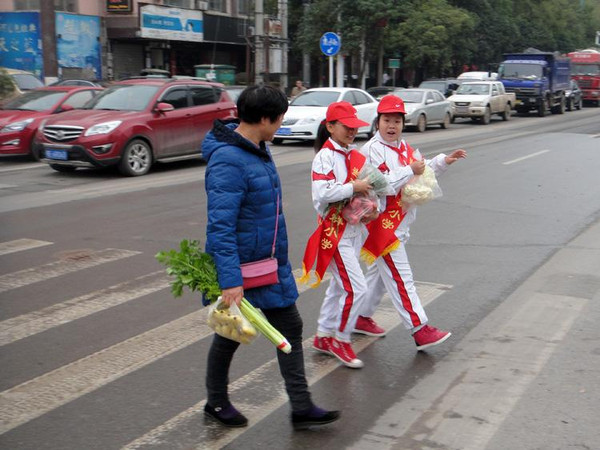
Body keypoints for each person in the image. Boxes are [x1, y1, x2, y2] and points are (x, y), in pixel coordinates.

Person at [201, 85, 340, 430]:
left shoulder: (257, 148)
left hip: (268, 262)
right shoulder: (229, 159)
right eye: (279, 119)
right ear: (263, 119)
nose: (280, 125)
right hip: (242, 267)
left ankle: (301, 406)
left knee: (289, 326)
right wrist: (230, 280)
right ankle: (216, 402)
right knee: (230, 333)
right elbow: (221, 225)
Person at [356, 95, 467, 350]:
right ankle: (419, 328)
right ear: (378, 122)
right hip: (381, 224)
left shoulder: (403, 147)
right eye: (387, 120)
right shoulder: (370, 150)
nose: (391, 125)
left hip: (400, 223)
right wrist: (410, 171)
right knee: (400, 277)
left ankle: (359, 317)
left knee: (380, 277)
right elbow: (380, 185)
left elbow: (421, 169)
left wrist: (442, 161)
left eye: (397, 120)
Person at [299, 101, 379, 369]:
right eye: (347, 127)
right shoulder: (324, 156)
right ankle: (341, 340)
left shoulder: (353, 154)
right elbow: (322, 193)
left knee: (339, 287)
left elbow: (370, 185)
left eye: (355, 127)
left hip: (355, 229)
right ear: (330, 126)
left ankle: (324, 335)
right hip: (335, 233)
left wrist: (372, 204)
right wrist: (352, 186)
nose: (352, 132)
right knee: (357, 288)